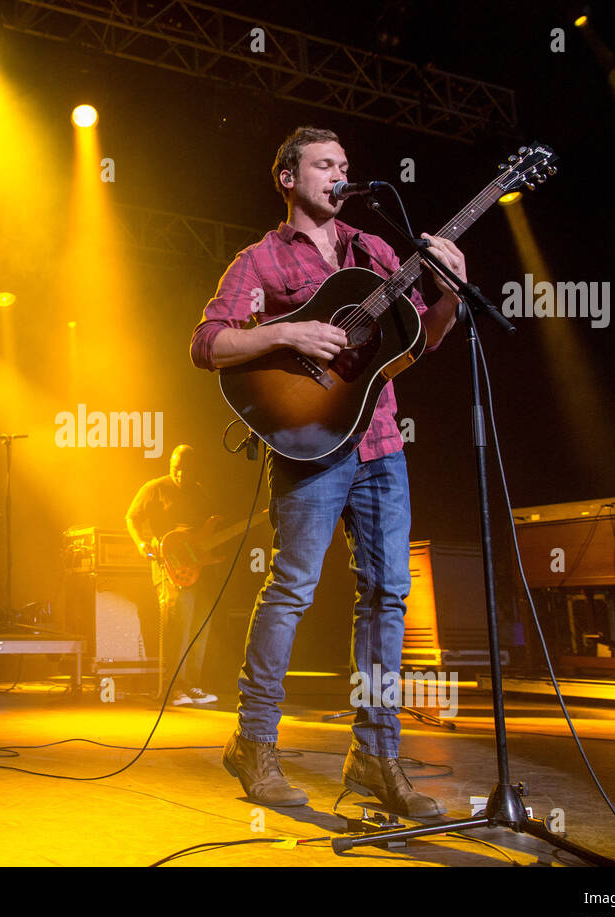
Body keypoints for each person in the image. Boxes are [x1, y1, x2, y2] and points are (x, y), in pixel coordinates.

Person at [191, 127, 466, 814]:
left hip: (380, 445)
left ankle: (375, 756)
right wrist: (288, 332)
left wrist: (451, 290)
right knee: (293, 590)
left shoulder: (373, 252)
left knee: (388, 598)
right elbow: (206, 343)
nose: (339, 175)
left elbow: (423, 340)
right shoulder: (258, 259)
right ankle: (253, 743)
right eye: (323, 165)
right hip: (309, 442)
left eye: (345, 165)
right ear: (287, 178)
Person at [125, 445, 220, 706]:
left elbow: (203, 533)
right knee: (178, 625)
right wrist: (141, 543)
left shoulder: (199, 492)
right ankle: (172, 687)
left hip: (197, 568)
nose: (180, 474)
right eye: (176, 468)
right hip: (168, 566)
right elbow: (131, 517)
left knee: (200, 626)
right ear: (170, 464)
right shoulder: (155, 487)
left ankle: (191, 685)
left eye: (185, 470)